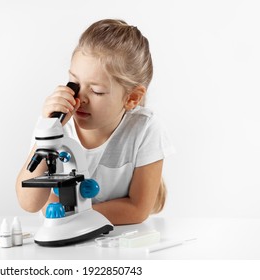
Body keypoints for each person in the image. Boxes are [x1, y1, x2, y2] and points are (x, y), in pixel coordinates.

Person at [15, 19, 174, 225]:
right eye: (74, 83)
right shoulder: (56, 125)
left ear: (131, 98)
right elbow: (31, 203)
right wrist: (48, 129)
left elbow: (137, 209)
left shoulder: (145, 129)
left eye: (97, 91)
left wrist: (78, 214)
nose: (80, 99)